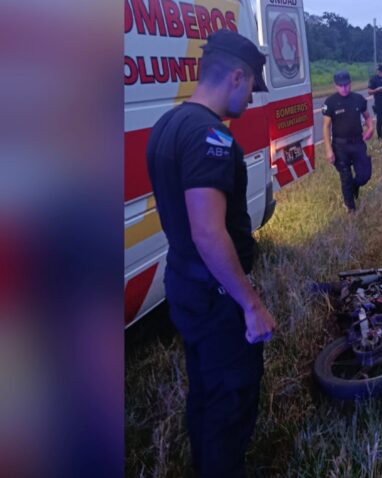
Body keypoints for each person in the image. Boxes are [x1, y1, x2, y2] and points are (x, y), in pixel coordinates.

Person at [145, 29, 276, 477]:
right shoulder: (210, 137)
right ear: (236, 77)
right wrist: (251, 304)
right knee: (231, 397)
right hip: (216, 293)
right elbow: (208, 231)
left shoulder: (168, 124)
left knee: (205, 389)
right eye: (251, 89)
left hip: (183, 282)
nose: (251, 100)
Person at [322, 70, 374, 213]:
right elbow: (326, 127)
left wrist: (371, 128)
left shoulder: (358, 99)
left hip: (357, 143)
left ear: (351, 83)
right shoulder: (330, 102)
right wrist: (328, 149)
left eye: (346, 85)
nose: (344, 88)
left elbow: (368, 117)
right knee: (345, 176)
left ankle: (355, 186)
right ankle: (350, 208)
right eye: (340, 85)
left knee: (365, 175)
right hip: (340, 146)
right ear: (335, 85)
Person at [367, 64, 382, 139]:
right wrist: (377, 90)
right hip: (379, 103)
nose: (376, 72)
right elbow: (369, 91)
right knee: (379, 120)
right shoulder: (373, 79)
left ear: (381, 71)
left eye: (377, 70)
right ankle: (380, 136)